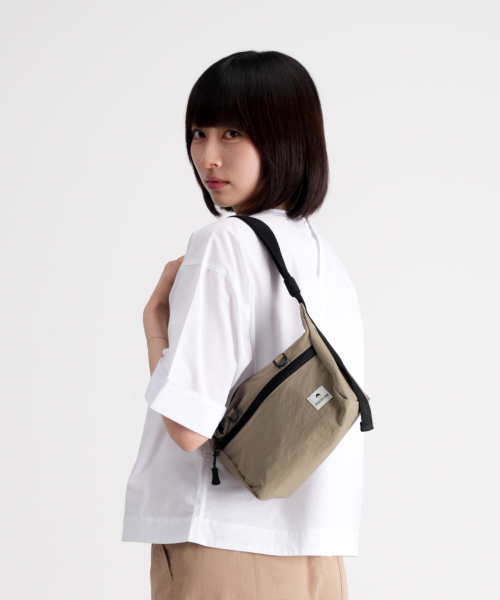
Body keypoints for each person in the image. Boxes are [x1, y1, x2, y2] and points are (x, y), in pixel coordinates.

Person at [122, 50, 366, 600]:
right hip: (319, 558)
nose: (208, 157)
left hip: (221, 548)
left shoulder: (224, 244)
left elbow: (188, 429)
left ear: (286, 138)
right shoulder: (325, 260)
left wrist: (155, 326)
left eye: (232, 133)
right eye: (198, 133)